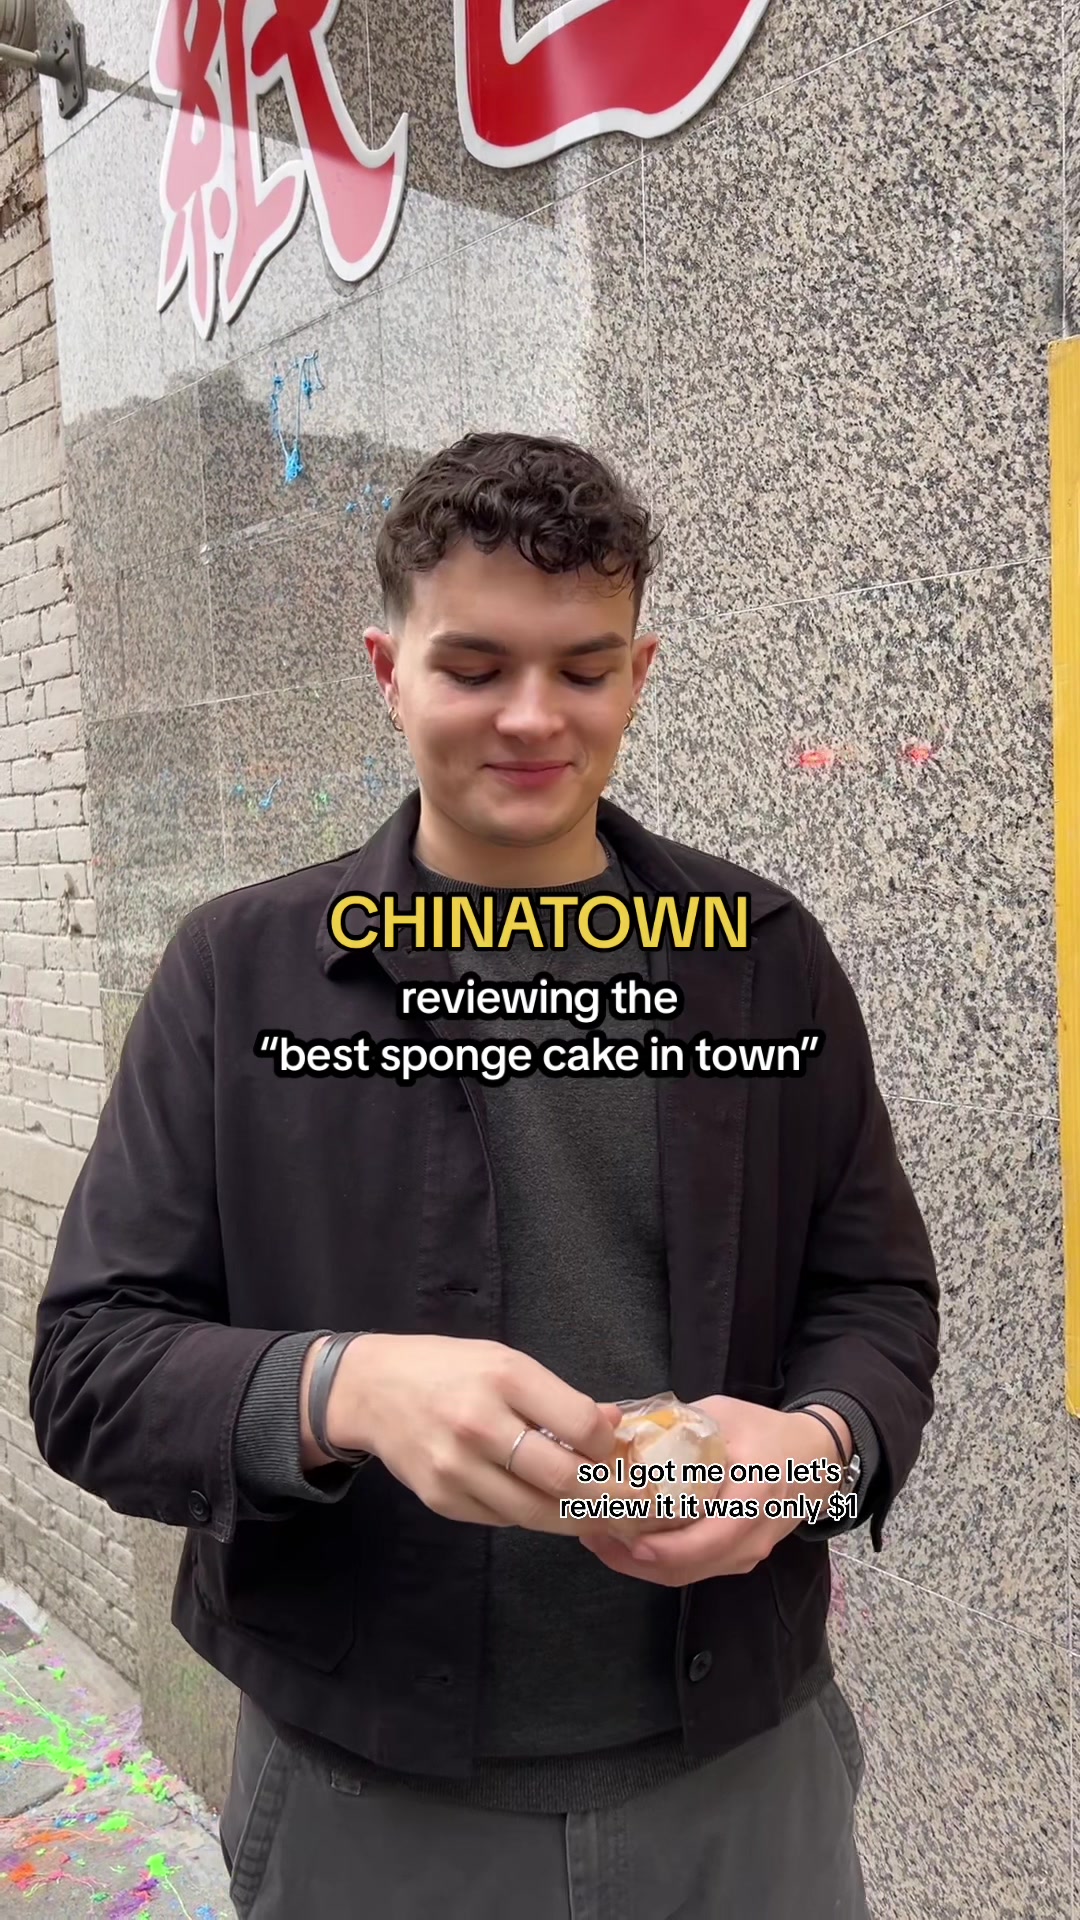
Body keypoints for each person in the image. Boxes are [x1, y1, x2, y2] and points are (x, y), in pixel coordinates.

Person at [28, 431, 939, 1919]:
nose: (532, 716)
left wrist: (809, 1451)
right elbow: (90, 1367)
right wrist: (339, 1389)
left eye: (583, 669)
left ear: (640, 674)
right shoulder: (238, 973)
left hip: (743, 1771)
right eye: (474, 667)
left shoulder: (764, 960)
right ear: (387, 670)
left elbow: (877, 1295)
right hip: (365, 1794)